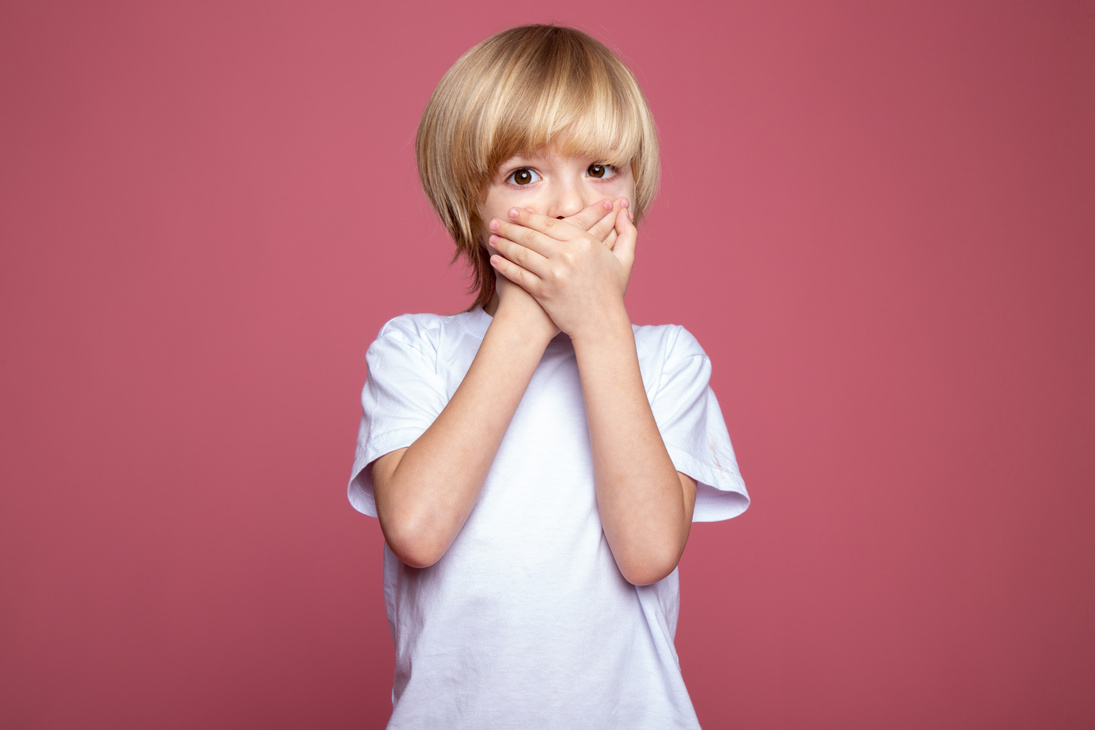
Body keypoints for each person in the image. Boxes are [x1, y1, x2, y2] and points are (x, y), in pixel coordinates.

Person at [348, 24, 749, 729]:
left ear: (635, 186)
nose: (568, 207)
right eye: (524, 176)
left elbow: (649, 551)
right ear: (470, 209)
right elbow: (415, 528)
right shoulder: (414, 350)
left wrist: (598, 325)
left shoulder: (664, 361)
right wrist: (529, 316)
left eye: (599, 170)